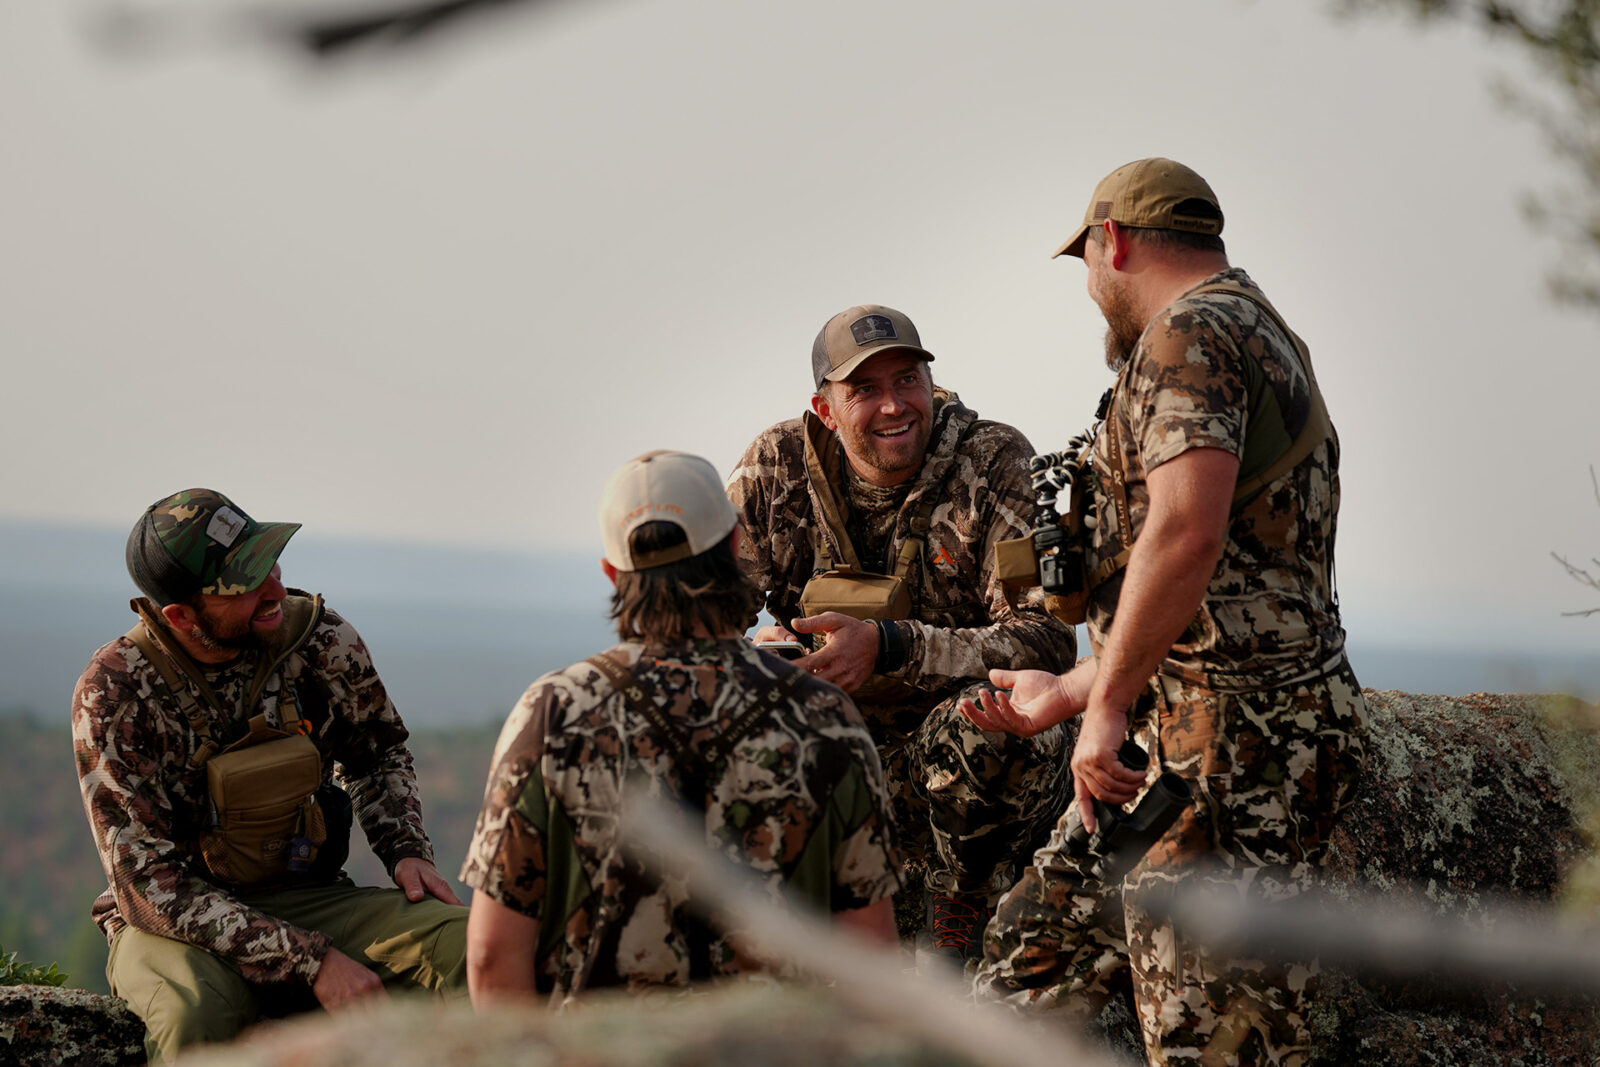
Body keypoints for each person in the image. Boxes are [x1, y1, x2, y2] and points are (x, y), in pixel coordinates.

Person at [965, 158, 1368, 1064]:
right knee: (1026, 971)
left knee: (1220, 1044)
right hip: (1187, 736)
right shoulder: (1259, 325)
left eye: (1089, 264)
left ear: (1114, 241)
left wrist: (1103, 708)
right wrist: (1077, 689)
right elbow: (1230, 592)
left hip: (1224, 757)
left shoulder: (1186, 335)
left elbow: (1188, 534)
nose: (1094, 289)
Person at [461, 450, 901, 1004]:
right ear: (737, 543)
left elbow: (491, 956)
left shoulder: (552, 713)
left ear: (613, 574)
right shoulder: (825, 717)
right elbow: (873, 961)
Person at [727, 304, 1078, 963]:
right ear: (825, 408)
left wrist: (891, 646)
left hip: (950, 759)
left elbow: (1046, 638)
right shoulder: (775, 467)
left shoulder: (994, 460)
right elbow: (708, 617)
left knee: (1005, 720)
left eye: (907, 380)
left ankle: (961, 905)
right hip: (831, 752)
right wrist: (760, 656)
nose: (894, 405)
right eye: (865, 389)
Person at [72, 489, 467, 1064]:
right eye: (245, 585)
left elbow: (377, 754)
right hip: (178, 923)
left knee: (466, 948)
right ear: (180, 615)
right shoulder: (115, 692)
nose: (277, 590)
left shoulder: (321, 639)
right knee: (196, 1016)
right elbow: (147, 884)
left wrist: (406, 849)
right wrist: (311, 962)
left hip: (309, 897)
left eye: (270, 564)